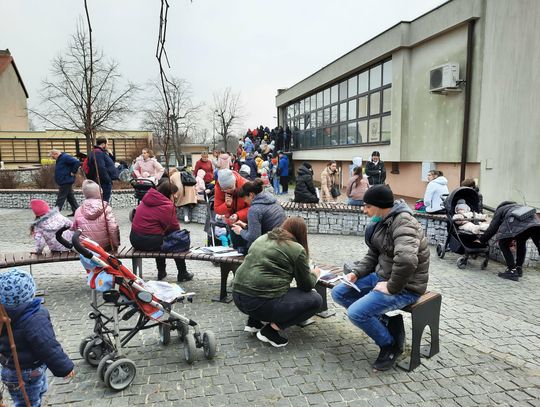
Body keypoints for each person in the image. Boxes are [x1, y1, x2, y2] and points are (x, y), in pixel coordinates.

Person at [331, 185, 429, 371]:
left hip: (406, 286)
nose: (364, 210)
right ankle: (388, 322)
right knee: (339, 293)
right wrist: (356, 273)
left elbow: (407, 261)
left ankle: (390, 344)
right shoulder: (382, 222)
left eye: (367, 206)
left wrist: (391, 287)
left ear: (380, 206)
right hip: (381, 276)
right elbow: (372, 255)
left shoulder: (404, 223)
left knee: (356, 313)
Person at [232, 217, 322, 347]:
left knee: (267, 285)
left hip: (238, 297)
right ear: (302, 233)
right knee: (315, 299)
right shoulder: (296, 249)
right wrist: (315, 273)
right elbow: (306, 285)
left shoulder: (262, 238)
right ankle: (270, 331)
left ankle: (253, 323)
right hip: (259, 303)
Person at [0, 269, 75, 407]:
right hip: (28, 371)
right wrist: (65, 367)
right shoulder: (35, 318)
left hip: (10, 369)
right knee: (29, 402)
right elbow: (48, 346)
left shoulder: (3, 314)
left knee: (33, 394)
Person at [130, 181, 193, 282]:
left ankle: (161, 272)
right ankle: (182, 273)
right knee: (177, 240)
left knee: (161, 237)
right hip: (150, 242)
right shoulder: (167, 206)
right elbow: (174, 229)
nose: (176, 196)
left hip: (135, 239)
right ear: (169, 193)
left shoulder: (146, 200)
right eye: (175, 194)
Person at [478, 202, 540, 281]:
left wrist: (482, 240)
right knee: (521, 242)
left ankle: (512, 271)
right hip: (536, 224)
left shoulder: (500, 209)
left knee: (503, 243)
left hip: (519, 224)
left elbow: (493, 228)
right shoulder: (518, 206)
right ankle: (518, 268)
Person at [231, 179, 286, 248]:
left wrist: (240, 231)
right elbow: (267, 226)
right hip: (282, 242)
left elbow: (254, 237)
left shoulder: (254, 209)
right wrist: (245, 226)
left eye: (244, 198)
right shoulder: (273, 201)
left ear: (251, 195)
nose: (245, 202)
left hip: (270, 247)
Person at [71, 180, 120, 253]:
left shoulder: (78, 210)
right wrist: (115, 245)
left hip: (86, 247)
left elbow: (74, 229)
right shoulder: (106, 208)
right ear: (100, 193)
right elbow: (113, 228)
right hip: (104, 247)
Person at [214, 169, 251, 252]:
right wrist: (227, 206)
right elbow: (217, 209)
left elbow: (253, 208)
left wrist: (238, 215)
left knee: (248, 248)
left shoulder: (245, 185)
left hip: (247, 222)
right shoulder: (219, 188)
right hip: (232, 223)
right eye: (224, 189)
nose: (227, 191)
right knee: (236, 249)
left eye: (230, 188)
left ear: (234, 182)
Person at [87, 137, 118, 202]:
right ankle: (102, 212)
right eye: (107, 144)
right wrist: (108, 180)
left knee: (104, 201)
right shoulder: (98, 153)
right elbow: (100, 168)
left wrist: (110, 154)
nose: (108, 146)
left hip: (103, 181)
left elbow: (110, 162)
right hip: (103, 182)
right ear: (103, 144)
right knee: (104, 201)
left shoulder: (101, 152)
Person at [49, 149, 80, 216]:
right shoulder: (61, 158)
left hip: (66, 180)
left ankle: (55, 213)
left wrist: (73, 172)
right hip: (65, 180)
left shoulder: (65, 157)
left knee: (61, 197)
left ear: (55, 154)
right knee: (70, 197)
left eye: (53, 157)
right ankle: (77, 211)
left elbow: (77, 162)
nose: (53, 158)